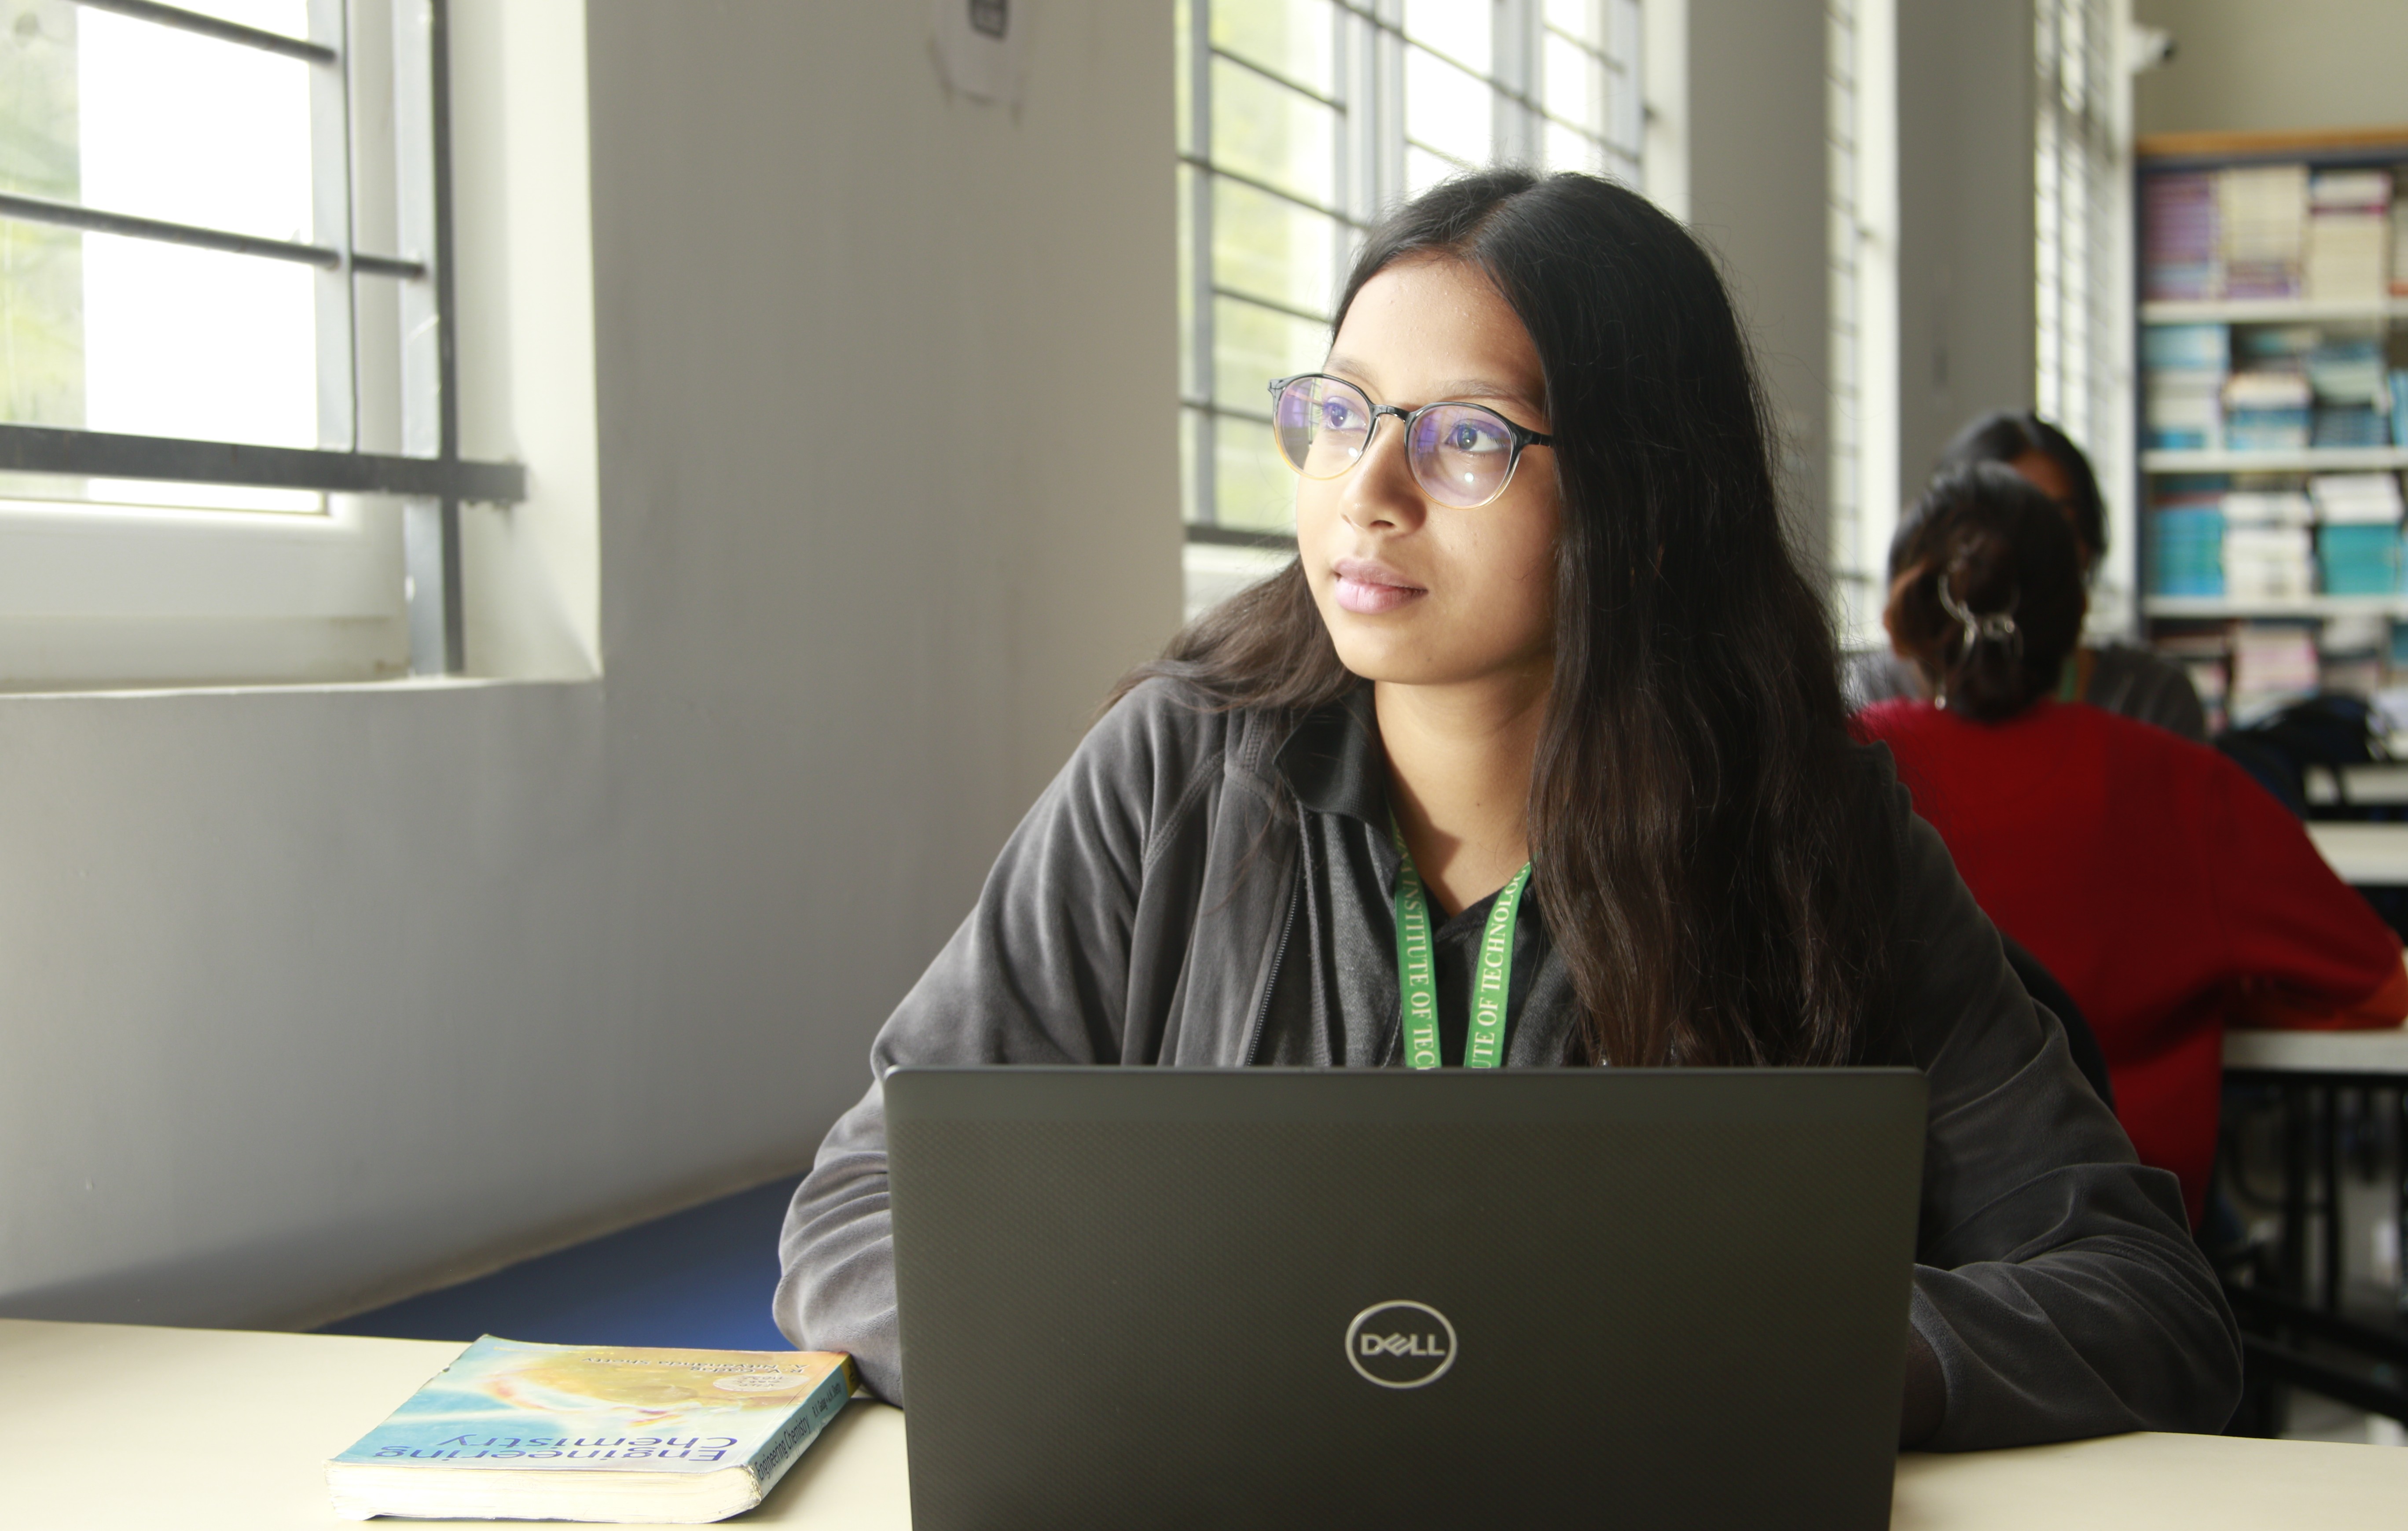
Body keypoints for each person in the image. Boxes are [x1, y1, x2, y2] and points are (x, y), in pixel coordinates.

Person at [778, 170, 2239, 1450]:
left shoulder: (1807, 824)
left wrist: (1803, 1357)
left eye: (1466, 437)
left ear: (1643, 497)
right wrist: (1181, 1348)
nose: (1368, 488)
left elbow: (2139, 1293)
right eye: (1337, 412)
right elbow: (854, 1222)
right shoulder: (1173, 777)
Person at [1854, 463, 2408, 1227]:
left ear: (1905, 617)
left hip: (1887, 1250)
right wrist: (2220, 991)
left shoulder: (1839, 773)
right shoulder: (2181, 782)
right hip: (2125, 1254)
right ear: (2078, 613)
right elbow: (2383, 985)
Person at [1846, 411, 2208, 740]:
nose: (2024, 552)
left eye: (2055, 523)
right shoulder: (1861, 699)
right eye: (1991, 530)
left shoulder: (2151, 698)